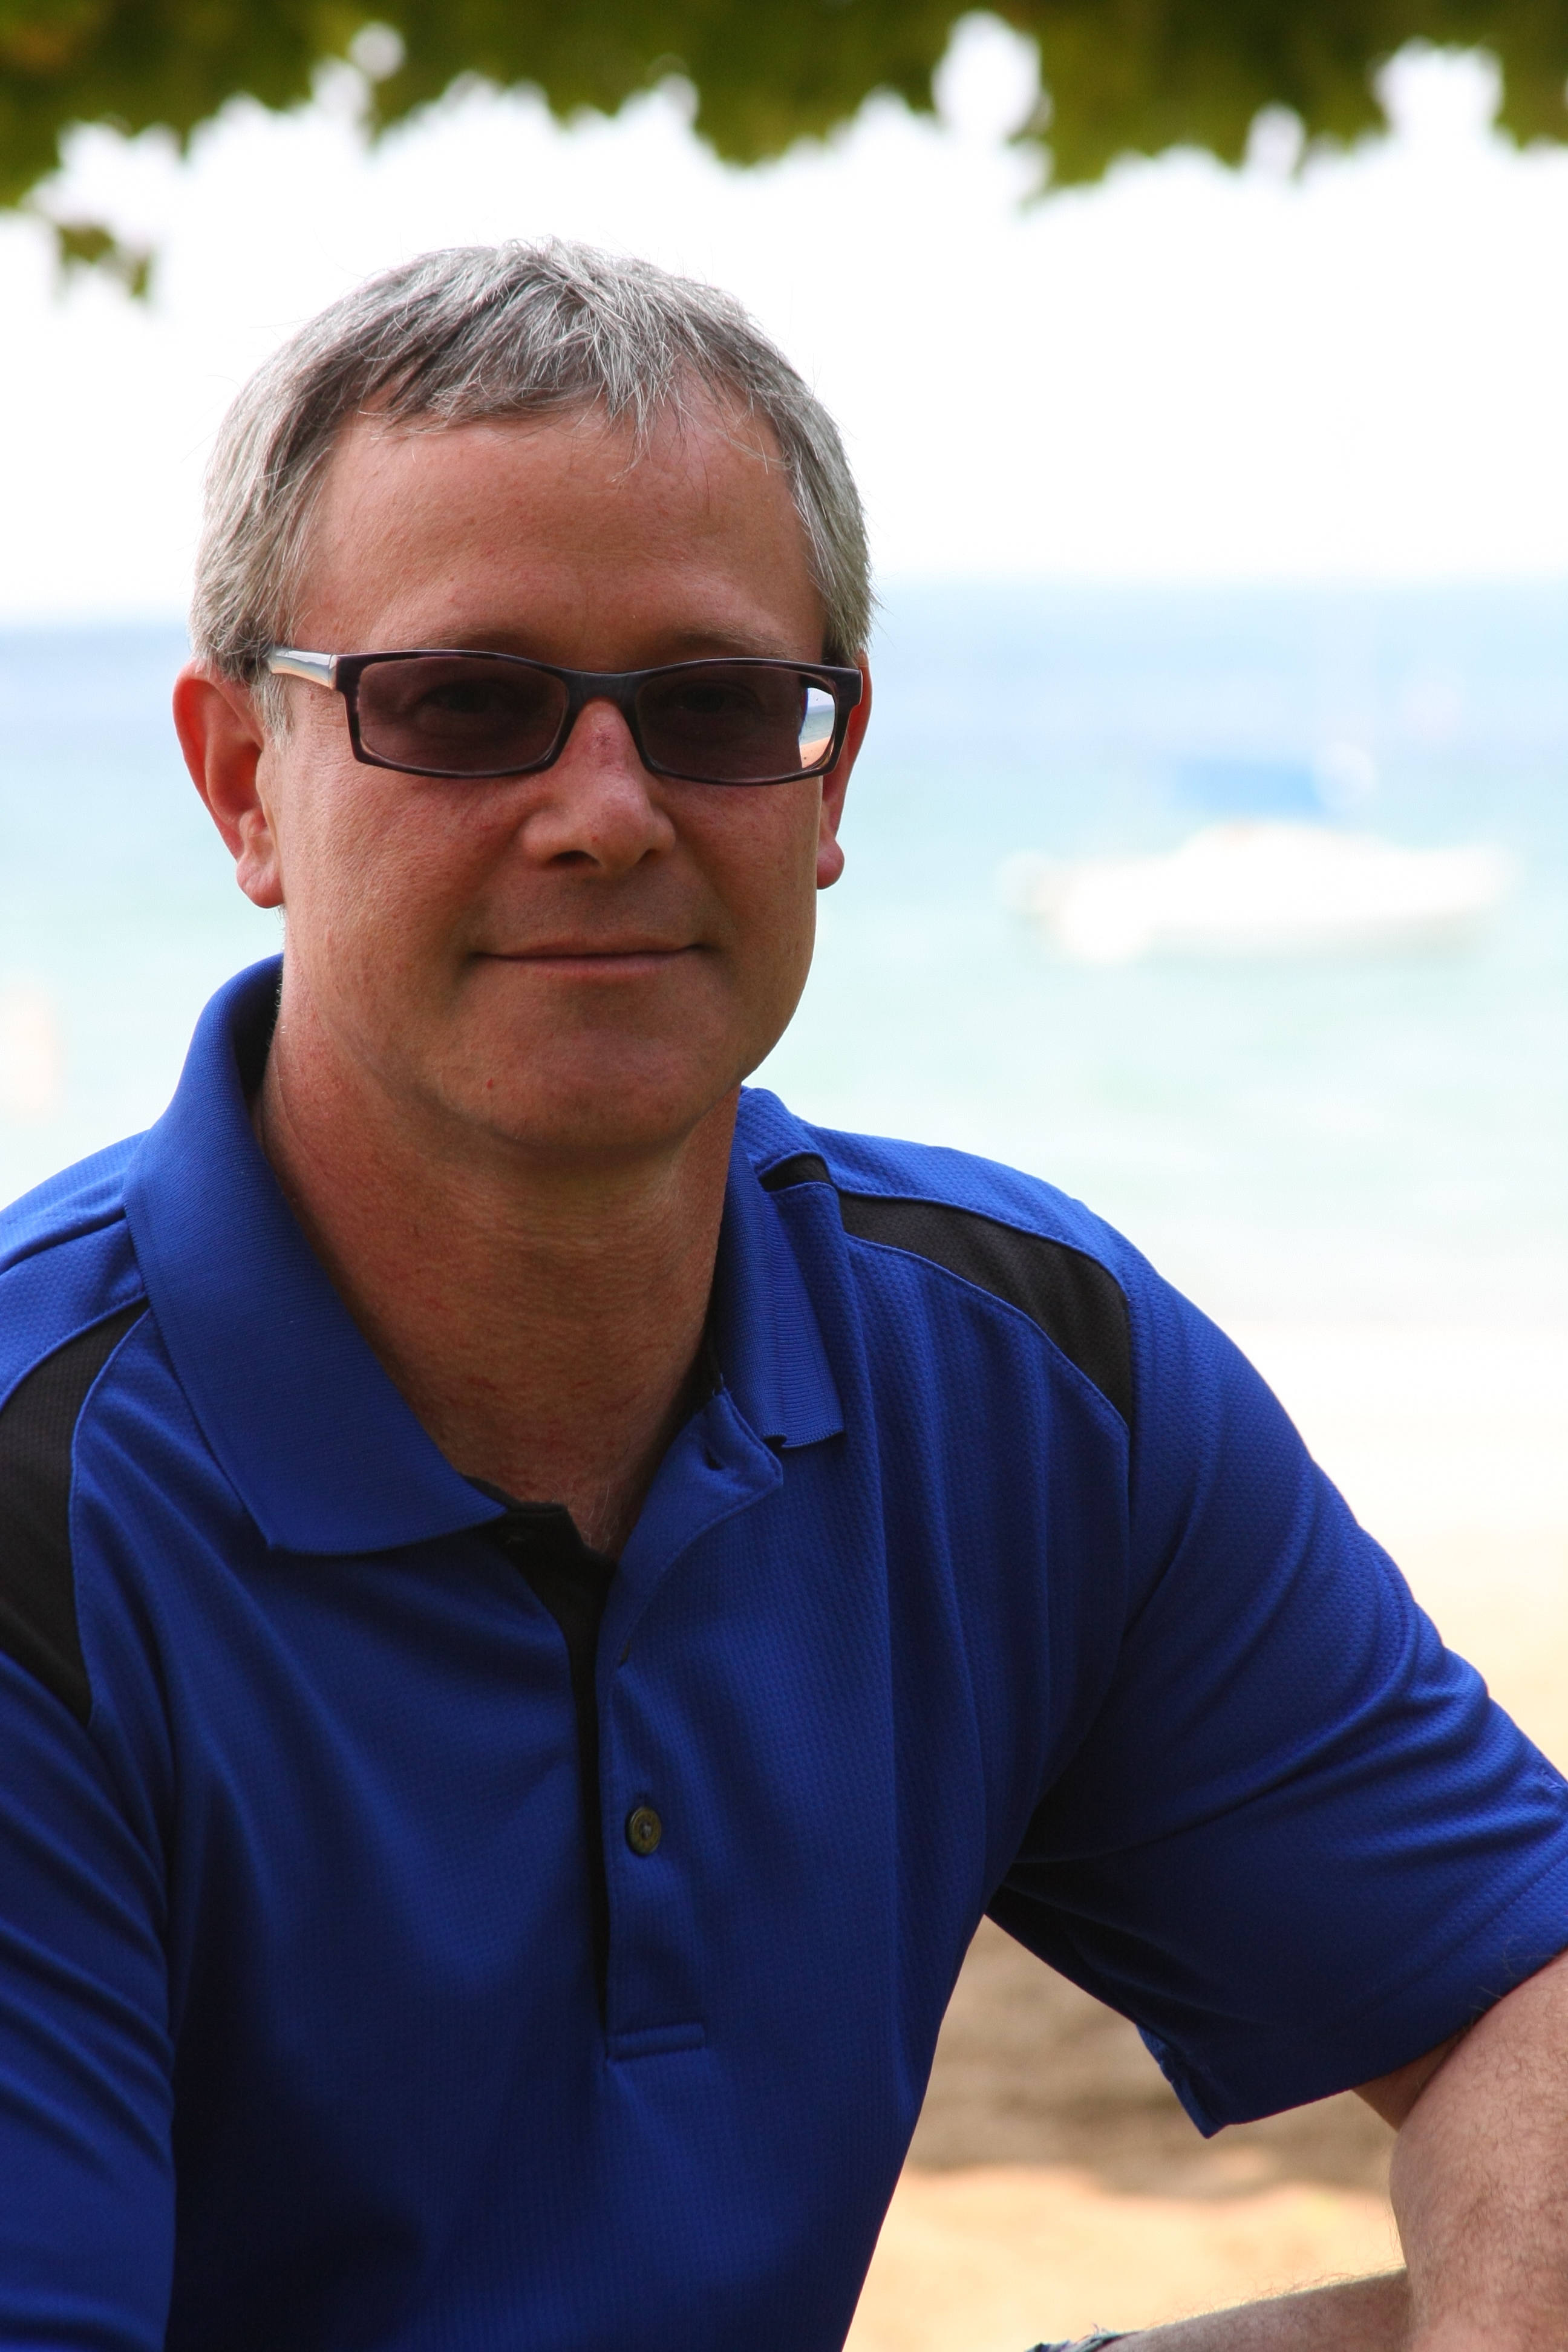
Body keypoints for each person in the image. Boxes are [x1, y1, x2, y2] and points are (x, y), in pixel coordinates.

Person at [0, 240, 1564, 2352]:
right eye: (465, 705)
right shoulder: (41, 1507)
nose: (605, 812)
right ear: (240, 781)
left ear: (826, 782)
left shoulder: (1024, 1376)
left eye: (717, 709)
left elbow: (1520, 1979)